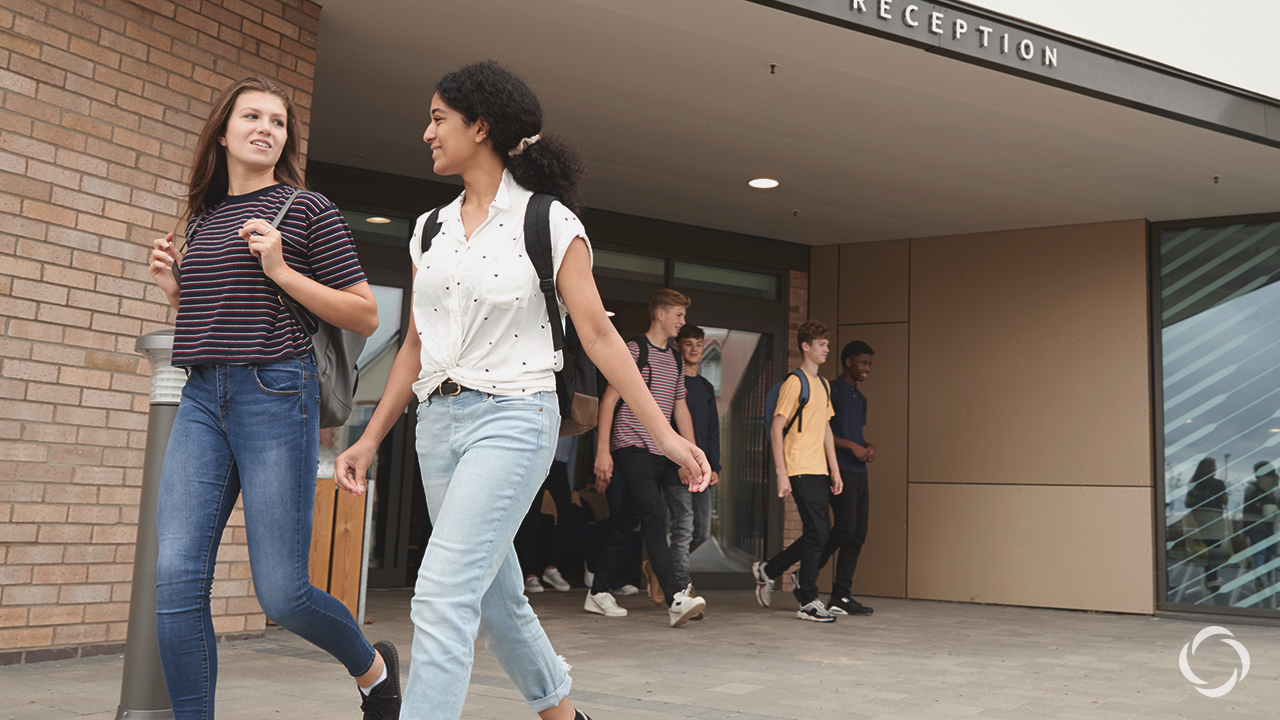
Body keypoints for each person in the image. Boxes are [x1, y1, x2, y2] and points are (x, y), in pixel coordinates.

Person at [332, 61, 710, 720]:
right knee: (496, 597)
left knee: (444, 594)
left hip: (514, 419)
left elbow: (598, 337)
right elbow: (416, 346)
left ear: (481, 127)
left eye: (438, 118)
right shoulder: (430, 231)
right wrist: (369, 438)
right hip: (437, 428)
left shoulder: (549, 223)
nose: (426, 132)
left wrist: (667, 436)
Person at [146, 77, 396, 719]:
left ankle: (373, 670)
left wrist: (282, 270)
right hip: (203, 395)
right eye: (251, 116)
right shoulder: (201, 222)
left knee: (282, 595)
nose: (265, 128)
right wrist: (178, 293)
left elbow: (365, 315)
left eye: (278, 122)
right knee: (174, 581)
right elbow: (213, 319)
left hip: (275, 393)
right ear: (223, 132)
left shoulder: (307, 210)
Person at [588, 289, 709, 626]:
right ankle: (675, 597)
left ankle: (598, 590)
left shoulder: (673, 360)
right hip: (630, 446)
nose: (682, 322)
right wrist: (602, 451)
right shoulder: (632, 350)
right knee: (656, 518)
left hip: (657, 453)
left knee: (626, 521)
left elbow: (679, 408)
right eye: (679, 315)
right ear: (660, 314)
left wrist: (691, 456)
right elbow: (610, 400)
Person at [752, 320, 844, 622]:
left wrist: (835, 469)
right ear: (806, 346)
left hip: (818, 468)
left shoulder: (824, 384)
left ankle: (771, 569)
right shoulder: (795, 383)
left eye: (827, 345)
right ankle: (807, 600)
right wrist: (781, 472)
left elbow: (826, 429)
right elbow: (777, 428)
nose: (827, 350)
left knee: (819, 532)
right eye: (822, 345)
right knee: (819, 532)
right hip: (799, 466)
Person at [662, 324, 721, 610]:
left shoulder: (707, 388)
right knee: (683, 529)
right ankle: (681, 589)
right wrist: (676, 464)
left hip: (702, 470)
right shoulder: (673, 385)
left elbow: (713, 431)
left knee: (702, 532)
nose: (695, 348)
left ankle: (663, 568)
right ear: (678, 347)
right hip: (677, 471)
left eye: (699, 343)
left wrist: (715, 466)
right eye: (689, 343)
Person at [819, 340, 875, 616]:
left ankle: (841, 596)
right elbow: (823, 431)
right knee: (844, 529)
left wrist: (866, 446)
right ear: (848, 362)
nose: (867, 368)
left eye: (869, 364)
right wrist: (852, 448)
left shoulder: (860, 399)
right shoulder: (832, 390)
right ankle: (807, 573)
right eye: (863, 363)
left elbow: (854, 434)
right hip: (839, 471)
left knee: (857, 534)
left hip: (859, 472)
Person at [518, 437, 576, 593]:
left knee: (566, 515)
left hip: (559, 463)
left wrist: (571, 481)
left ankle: (552, 568)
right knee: (531, 518)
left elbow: (573, 444)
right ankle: (530, 574)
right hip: (536, 459)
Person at [1185, 457, 1227, 593]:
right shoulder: (1218, 484)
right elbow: (1225, 500)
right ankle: (1211, 575)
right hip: (1215, 521)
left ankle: (1211, 577)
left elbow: (1187, 503)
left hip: (1201, 522)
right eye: (1214, 466)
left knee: (1212, 550)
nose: (1216, 469)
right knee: (1218, 551)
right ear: (1211, 469)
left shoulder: (1194, 484)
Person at [1243, 462, 1279, 576]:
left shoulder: (1252, 488)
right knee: (1270, 553)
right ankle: (1271, 578)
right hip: (1267, 525)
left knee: (1261, 552)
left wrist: (1245, 525)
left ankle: (1261, 577)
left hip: (1258, 525)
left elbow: (1246, 508)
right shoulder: (1274, 491)